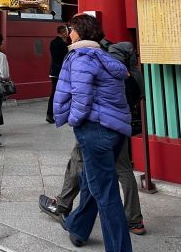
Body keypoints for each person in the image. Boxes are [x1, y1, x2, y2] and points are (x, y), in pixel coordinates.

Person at [39, 36, 146, 235]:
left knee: (78, 162)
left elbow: (83, 94)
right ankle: (134, 219)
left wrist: (75, 119)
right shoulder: (129, 70)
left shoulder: (103, 65)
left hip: (97, 125)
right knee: (123, 170)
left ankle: (63, 206)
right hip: (121, 124)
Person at [53, 14, 133, 251]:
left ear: (80, 31)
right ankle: (78, 227)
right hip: (116, 128)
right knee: (91, 180)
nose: (69, 32)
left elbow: (81, 95)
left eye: (72, 28)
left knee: (106, 193)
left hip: (94, 129)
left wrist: (75, 120)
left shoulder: (80, 57)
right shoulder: (103, 56)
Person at [46, 25, 70, 123]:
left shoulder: (53, 42)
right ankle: (64, 113)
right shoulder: (63, 45)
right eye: (67, 32)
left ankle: (49, 114)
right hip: (62, 71)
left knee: (54, 93)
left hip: (54, 71)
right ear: (64, 32)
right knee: (66, 92)